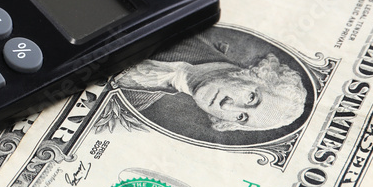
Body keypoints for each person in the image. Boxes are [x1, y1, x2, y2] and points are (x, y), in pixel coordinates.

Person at [113, 39, 306, 132]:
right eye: (251, 98)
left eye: (241, 117)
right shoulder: (200, 35)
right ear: (256, 75)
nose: (227, 106)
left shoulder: (134, 108)